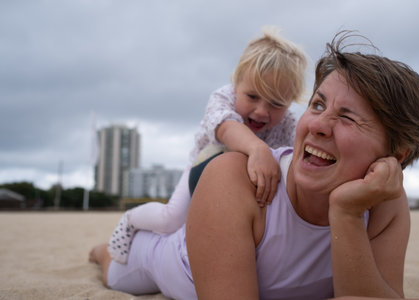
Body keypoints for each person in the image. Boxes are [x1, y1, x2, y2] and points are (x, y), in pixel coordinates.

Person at [89, 30, 419, 299]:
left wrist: (346, 213)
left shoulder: (384, 203)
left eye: (347, 117)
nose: (317, 125)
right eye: (317, 105)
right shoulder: (231, 178)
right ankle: (101, 251)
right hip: (170, 262)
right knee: (117, 272)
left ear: (397, 154)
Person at [107, 26, 307, 264]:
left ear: (289, 103)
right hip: (201, 168)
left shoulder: (288, 123)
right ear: (236, 85)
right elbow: (225, 126)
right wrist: (257, 148)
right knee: (171, 220)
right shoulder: (223, 98)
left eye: (276, 104)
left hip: (244, 182)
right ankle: (131, 219)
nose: (262, 111)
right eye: (252, 97)